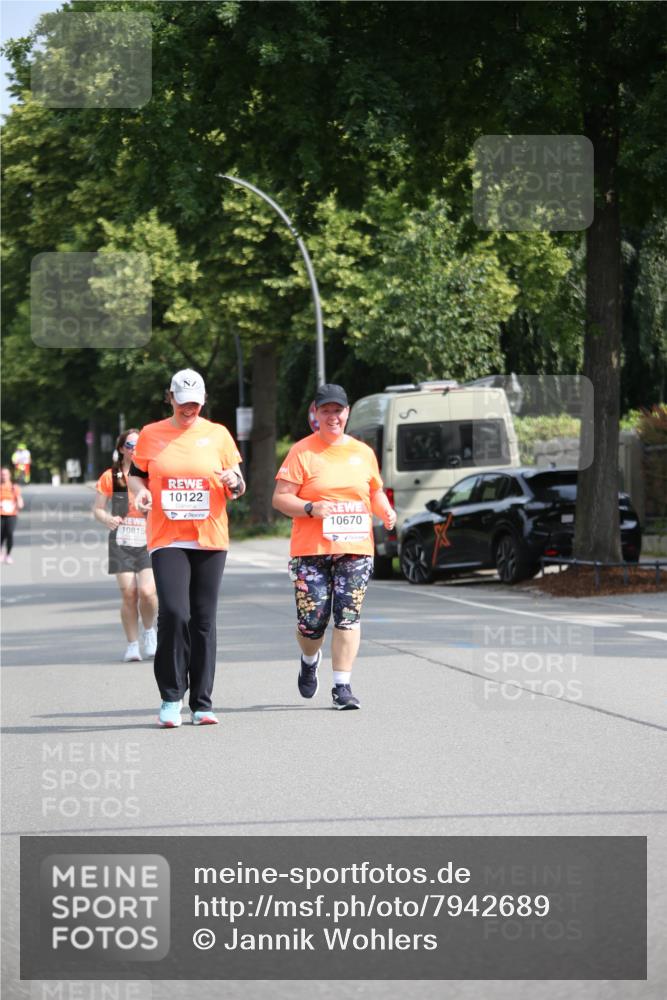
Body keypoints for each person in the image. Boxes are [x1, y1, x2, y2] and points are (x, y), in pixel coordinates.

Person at [127, 369, 245, 729]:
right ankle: (170, 697)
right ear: (171, 398)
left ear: (203, 401)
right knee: (176, 613)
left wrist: (233, 481)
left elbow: (239, 484)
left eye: (195, 403)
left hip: (210, 536)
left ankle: (202, 703)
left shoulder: (218, 435)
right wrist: (140, 492)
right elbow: (136, 474)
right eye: (183, 402)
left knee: (204, 619)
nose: (189, 409)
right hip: (167, 536)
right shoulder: (151, 434)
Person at [272, 383, 397, 710]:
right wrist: (310, 508)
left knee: (348, 616)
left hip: (356, 548)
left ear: (347, 412)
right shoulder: (303, 451)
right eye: (325, 410)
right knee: (312, 622)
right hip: (311, 550)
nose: (332, 416)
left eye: (337, 410)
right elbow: (281, 498)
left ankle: (342, 686)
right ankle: (309, 659)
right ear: (315, 413)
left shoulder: (362, 452)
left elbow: (374, 491)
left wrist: (384, 510)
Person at [93, 429, 158, 662]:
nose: (135, 448)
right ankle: (132, 645)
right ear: (122, 448)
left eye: (139, 444)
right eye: (130, 445)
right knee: (129, 594)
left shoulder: (150, 474)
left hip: (148, 538)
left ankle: (150, 632)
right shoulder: (113, 476)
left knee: (148, 592)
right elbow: (98, 509)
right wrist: (107, 519)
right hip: (121, 540)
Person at [1, 467, 24, 564]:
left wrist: (17, 495)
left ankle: (8, 555)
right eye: (2, 474)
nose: (4, 476)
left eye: (5, 474)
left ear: (9, 475)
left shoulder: (15, 487)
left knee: (9, 534)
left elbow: (21, 505)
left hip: (11, 515)